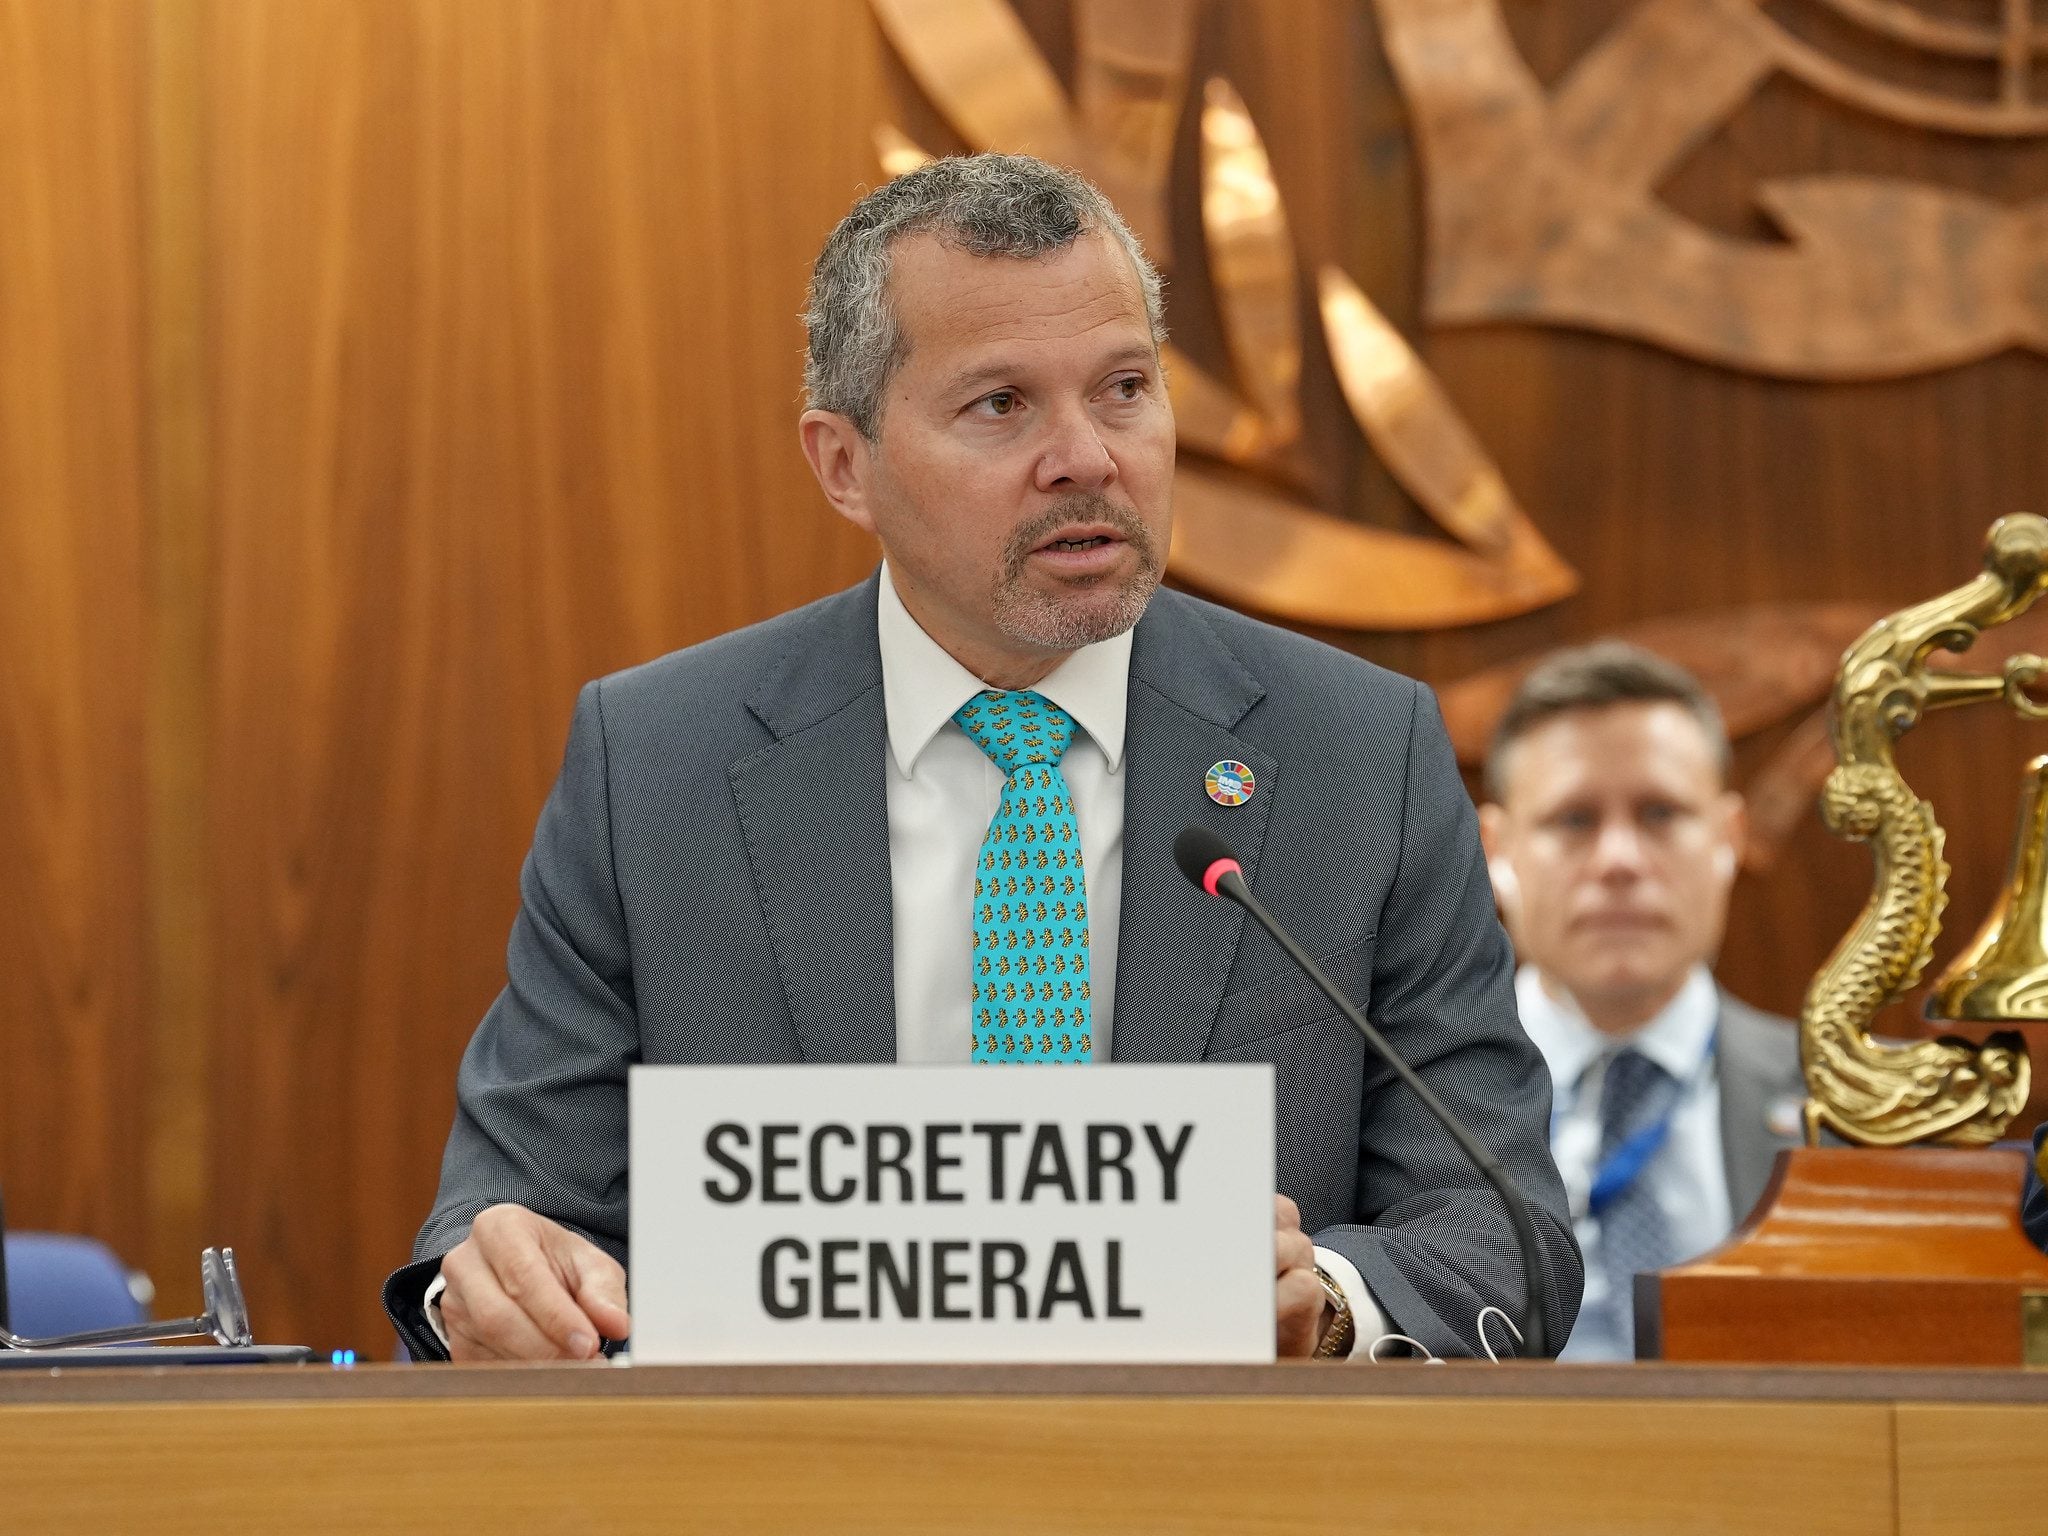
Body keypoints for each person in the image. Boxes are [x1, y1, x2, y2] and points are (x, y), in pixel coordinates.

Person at [383, 153, 1580, 1363]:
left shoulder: (1357, 758)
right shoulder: (655, 767)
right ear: (842, 464)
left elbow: (1502, 1234)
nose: (1087, 459)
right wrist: (486, 1293)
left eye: (1122, 388)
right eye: (1000, 405)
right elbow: (513, 1209)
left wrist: (1323, 1300)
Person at [1478, 642, 1804, 1360]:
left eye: (1660, 813)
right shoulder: (1404, 1099)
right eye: (1573, 820)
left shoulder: (1850, 1099)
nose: (1620, 860)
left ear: (1728, 838)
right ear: (1496, 851)